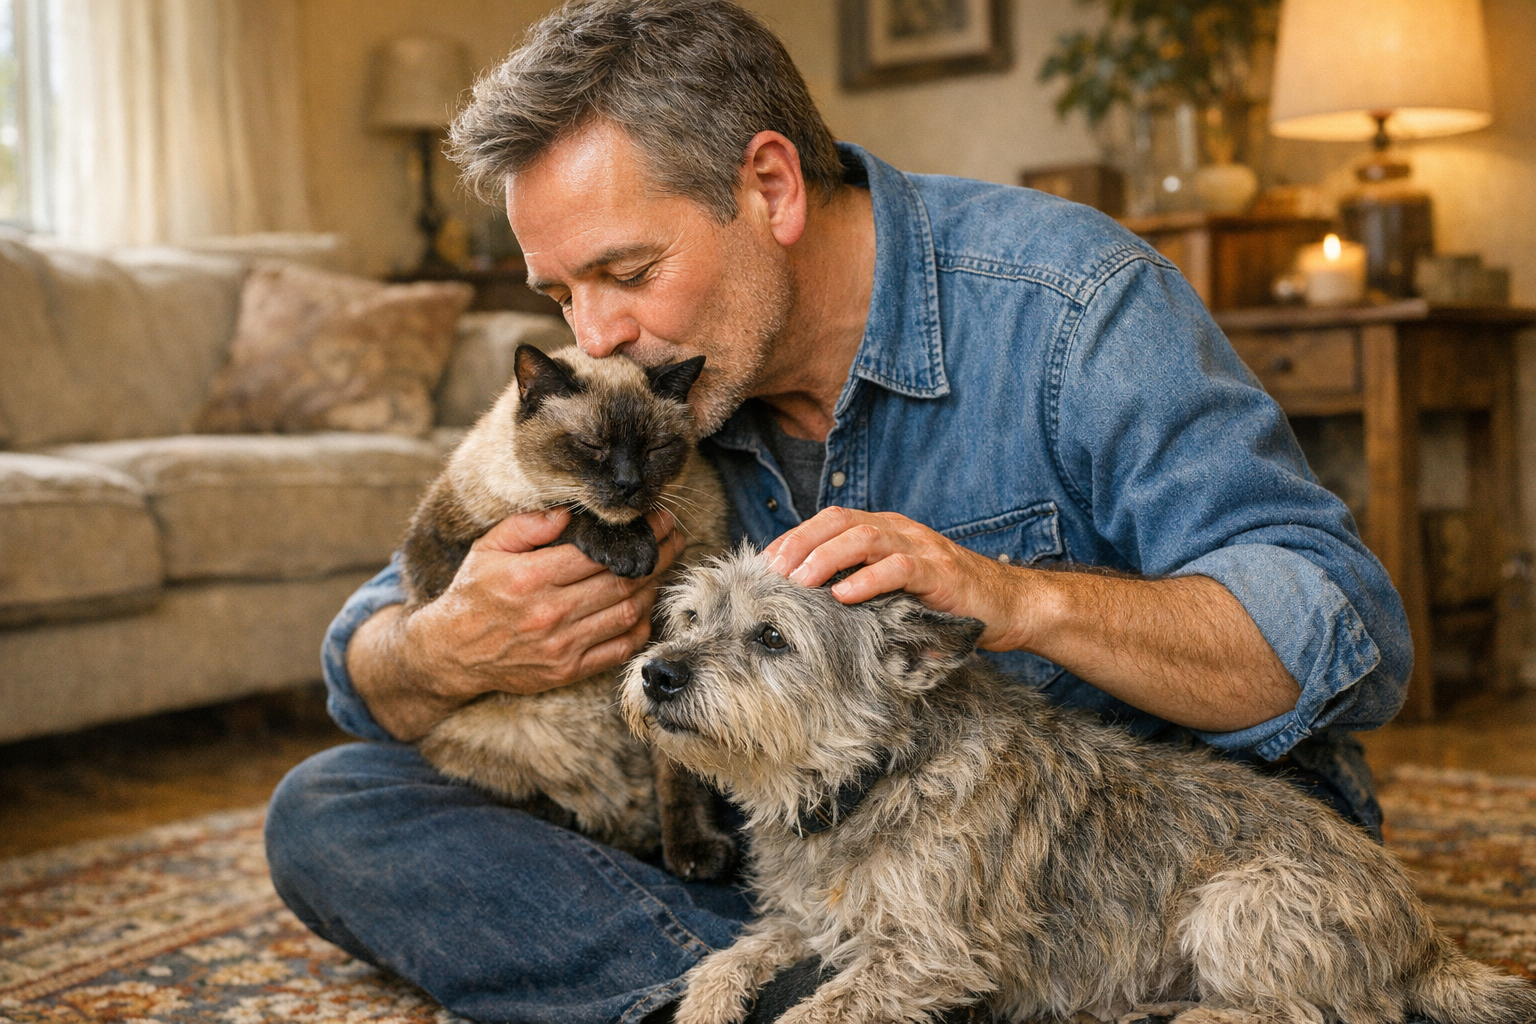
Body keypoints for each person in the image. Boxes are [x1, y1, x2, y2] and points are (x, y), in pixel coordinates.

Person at [264, 1, 1412, 1021]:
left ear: (770, 188)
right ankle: (855, 985)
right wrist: (445, 643)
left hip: (1105, 867)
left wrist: (1021, 599)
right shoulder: (632, 394)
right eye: (560, 293)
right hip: (786, 836)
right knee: (330, 807)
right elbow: (362, 664)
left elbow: (1343, 641)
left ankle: (868, 974)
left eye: (624, 271)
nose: (596, 333)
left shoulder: (1073, 309)